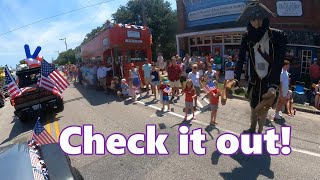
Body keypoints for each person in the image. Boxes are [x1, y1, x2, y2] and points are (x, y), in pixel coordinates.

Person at [234, 1, 287, 133]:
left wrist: (273, 84)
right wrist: (235, 78)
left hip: (269, 80)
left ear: (264, 19)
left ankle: (260, 130)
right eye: (253, 19)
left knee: (264, 108)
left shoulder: (278, 36)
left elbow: (278, 62)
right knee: (253, 106)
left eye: (259, 19)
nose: (256, 23)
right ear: (249, 20)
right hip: (255, 80)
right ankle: (252, 128)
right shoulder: (247, 37)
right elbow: (241, 59)